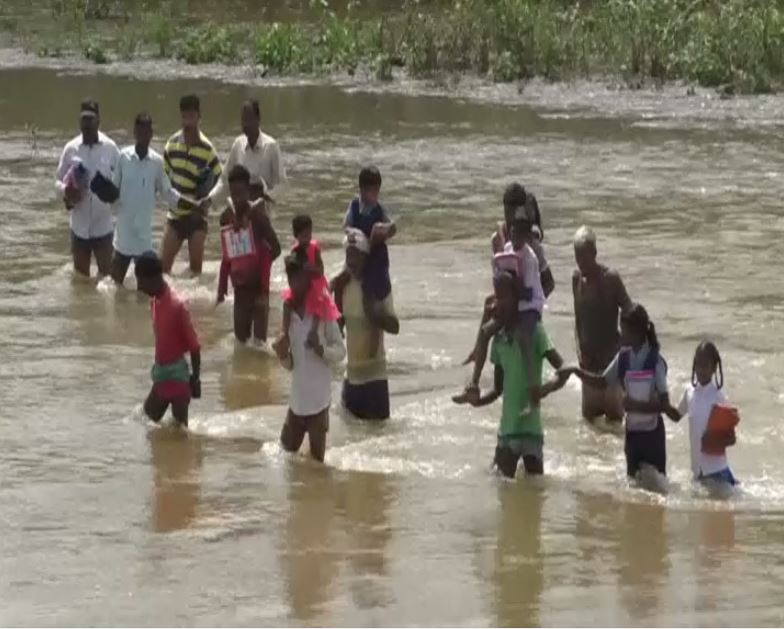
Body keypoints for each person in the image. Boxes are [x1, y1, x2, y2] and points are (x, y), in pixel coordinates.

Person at [466, 270, 569, 478]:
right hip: (507, 433)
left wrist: (545, 388)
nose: (500, 302)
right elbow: (497, 389)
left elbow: (563, 369)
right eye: (497, 296)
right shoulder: (498, 340)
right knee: (504, 496)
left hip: (533, 434)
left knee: (535, 498)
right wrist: (476, 401)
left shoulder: (535, 332)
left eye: (505, 296)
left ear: (516, 298)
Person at [561, 304, 679, 481]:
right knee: (633, 487)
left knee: (658, 488)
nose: (620, 333)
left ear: (637, 332)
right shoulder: (623, 357)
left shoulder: (655, 361)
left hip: (653, 437)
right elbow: (601, 382)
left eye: (623, 329)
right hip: (632, 434)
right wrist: (576, 372)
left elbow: (664, 404)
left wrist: (635, 405)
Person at [454, 193, 551, 406]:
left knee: (516, 348)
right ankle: (474, 379)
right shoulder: (504, 239)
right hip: (510, 300)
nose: (507, 216)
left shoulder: (531, 246)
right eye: (506, 211)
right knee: (488, 312)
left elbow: (546, 283)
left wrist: (528, 309)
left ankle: (531, 391)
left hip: (525, 306)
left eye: (512, 211)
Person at [272, 255, 345, 462]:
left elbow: (340, 352)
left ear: (307, 278)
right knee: (282, 458)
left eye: (298, 278)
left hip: (319, 403)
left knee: (317, 466)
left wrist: (321, 350)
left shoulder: (322, 312)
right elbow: (291, 365)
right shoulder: (288, 315)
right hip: (297, 402)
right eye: (290, 279)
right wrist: (282, 355)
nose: (294, 284)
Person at [110, 113, 184, 285]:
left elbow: (167, 192)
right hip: (123, 236)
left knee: (147, 290)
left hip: (143, 238)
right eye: (140, 131)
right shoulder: (123, 157)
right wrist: (106, 195)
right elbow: (113, 190)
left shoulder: (157, 162)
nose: (144, 135)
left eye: (147, 131)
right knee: (113, 287)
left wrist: (191, 204)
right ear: (134, 132)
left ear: (151, 133)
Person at [334, 228, 399, 420]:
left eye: (356, 255)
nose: (351, 261)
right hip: (351, 377)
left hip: (375, 380)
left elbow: (395, 327)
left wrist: (373, 314)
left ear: (365, 256)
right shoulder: (343, 287)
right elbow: (338, 328)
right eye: (348, 255)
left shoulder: (378, 288)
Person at [571, 226, 633, 423]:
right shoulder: (577, 279)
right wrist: (579, 352)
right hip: (588, 364)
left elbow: (630, 313)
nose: (581, 262)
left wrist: (623, 350)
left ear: (595, 254)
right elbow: (578, 318)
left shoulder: (611, 279)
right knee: (589, 423)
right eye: (577, 257)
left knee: (615, 422)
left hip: (610, 363)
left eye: (585, 257)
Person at [216, 165, 282, 344]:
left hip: (259, 289)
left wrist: (260, 262)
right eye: (233, 193)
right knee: (241, 343)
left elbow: (276, 248)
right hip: (240, 291)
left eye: (241, 193)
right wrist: (222, 287)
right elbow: (226, 255)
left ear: (249, 192)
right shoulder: (225, 218)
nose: (237, 198)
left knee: (260, 344)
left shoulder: (258, 216)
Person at [135, 252, 201, 428]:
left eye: (140, 281)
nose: (139, 287)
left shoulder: (177, 305)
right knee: (142, 422)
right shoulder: (154, 302)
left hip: (178, 379)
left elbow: (194, 346)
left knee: (180, 435)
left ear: (153, 278)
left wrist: (195, 379)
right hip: (162, 376)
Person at [55, 99, 120, 277]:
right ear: (79, 121)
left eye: (91, 119)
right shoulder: (71, 148)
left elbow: (122, 180)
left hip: (103, 226)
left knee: (108, 279)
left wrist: (113, 191)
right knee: (80, 282)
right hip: (79, 226)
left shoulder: (111, 148)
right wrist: (66, 191)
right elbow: (57, 180)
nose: (87, 124)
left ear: (98, 121)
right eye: (84, 119)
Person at [161, 94, 222, 275]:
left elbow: (221, 178)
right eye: (185, 115)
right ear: (181, 116)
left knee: (196, 270)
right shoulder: (171, 145)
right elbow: (163, 178)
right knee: (163, 268)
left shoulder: (207, 149)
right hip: (175, 215)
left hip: (197, 217)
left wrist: (209, 200)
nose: (188, 120)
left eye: (192, 115)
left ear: (199, 116)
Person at [332, 166, 397, 326]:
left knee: (369, 289)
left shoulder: (379, 209)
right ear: (361, 190)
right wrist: (352, 234)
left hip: (373, 254)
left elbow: (391, 226)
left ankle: (376, 316)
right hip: (356, 253)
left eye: (377, 191)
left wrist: (385, 230)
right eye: (371, 191)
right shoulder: (354, 206)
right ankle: (338, 316)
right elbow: (346, 225)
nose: (375, 195)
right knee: (339, 281)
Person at [672, 341, 738, 487]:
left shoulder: (719, 397)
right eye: (698, 365)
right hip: (698, 471)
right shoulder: (689, 392)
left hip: (717, 471)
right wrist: (659, 404)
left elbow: (731, 438)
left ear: (714, 368)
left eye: (705, 366)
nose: (700, 370)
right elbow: (676, 415)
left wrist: (712, 440)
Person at [205, 98, 286, 209]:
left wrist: (265, 196)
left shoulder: (271, 147)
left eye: (249, 119)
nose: (246, 124)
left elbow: (282, 185)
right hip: (239, 212)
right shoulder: (238, 145)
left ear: (258, 119)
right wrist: (209, 200)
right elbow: (225, 182)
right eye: (243, 120)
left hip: (262, 213)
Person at [280, 214, 340, 346]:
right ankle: (284, 332)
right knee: (288, 303)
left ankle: (313, 332)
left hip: (315, 282)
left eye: (309, 234)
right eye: (304, 236)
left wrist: (311, 268)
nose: (307, 238)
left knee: (318, 303)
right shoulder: (294, 250)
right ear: (297, 235)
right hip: (301, 283)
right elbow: (291, 271)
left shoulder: (314, 248)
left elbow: (321, 270)